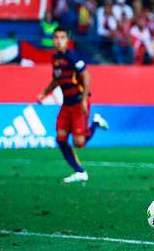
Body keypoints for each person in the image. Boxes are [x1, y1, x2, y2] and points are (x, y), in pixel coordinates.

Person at [37, 27, 109, 183]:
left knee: (79, 143)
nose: (58, 40)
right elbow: (56, 80)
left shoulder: (72, 56)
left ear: (67, 40)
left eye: (62, 37)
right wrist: (44, 93)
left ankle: (96, 123)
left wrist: (84, 99)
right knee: (61, 138)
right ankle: (80, 171)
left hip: (78, 102)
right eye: (56, 37)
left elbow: (86, 75)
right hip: (66, 104)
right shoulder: (55, 58)